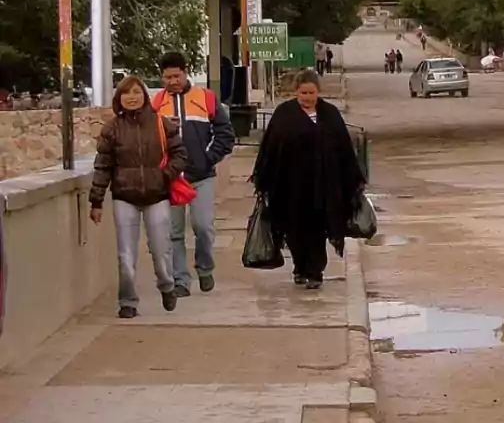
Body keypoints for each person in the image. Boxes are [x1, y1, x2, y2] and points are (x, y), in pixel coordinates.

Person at [251, 69, 366, 289]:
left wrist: (354, 179)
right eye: (303, 92)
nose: (307, 97)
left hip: (324, 187)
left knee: (317, 230)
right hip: (291, 187)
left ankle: (315, 272)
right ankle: (300, 267)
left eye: (311, 92)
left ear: (318, 92)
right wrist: (264, 181)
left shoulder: (330, 114)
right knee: (294, 232)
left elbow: (344, 148)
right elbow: (270, 149)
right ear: (295, 92)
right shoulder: (284, 115)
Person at [90, 75, 189, 318]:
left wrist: (164, 176)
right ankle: (128, 302)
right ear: (119, 98)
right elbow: (103, 166)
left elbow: (180, 155)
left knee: (160, 249)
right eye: (126, 93)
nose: (131, 97)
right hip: (124, 197)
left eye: (136, 92)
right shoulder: (111, 129)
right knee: (126, 254)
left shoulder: (161, 124)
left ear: (144, 96)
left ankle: (166, 285)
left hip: (157, 196)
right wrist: (97, 200)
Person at [154, 52, 235, 297]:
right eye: (167, 77)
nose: (172, 81)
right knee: (174, 232)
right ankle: (181, 280)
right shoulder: (156, 104)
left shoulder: (206, 98)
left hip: (202, 176)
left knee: (203, 226)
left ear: (185, 72)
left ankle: (205, 269)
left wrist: (208, 158)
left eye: (176, 75)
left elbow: (225, 133)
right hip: (171, 179)